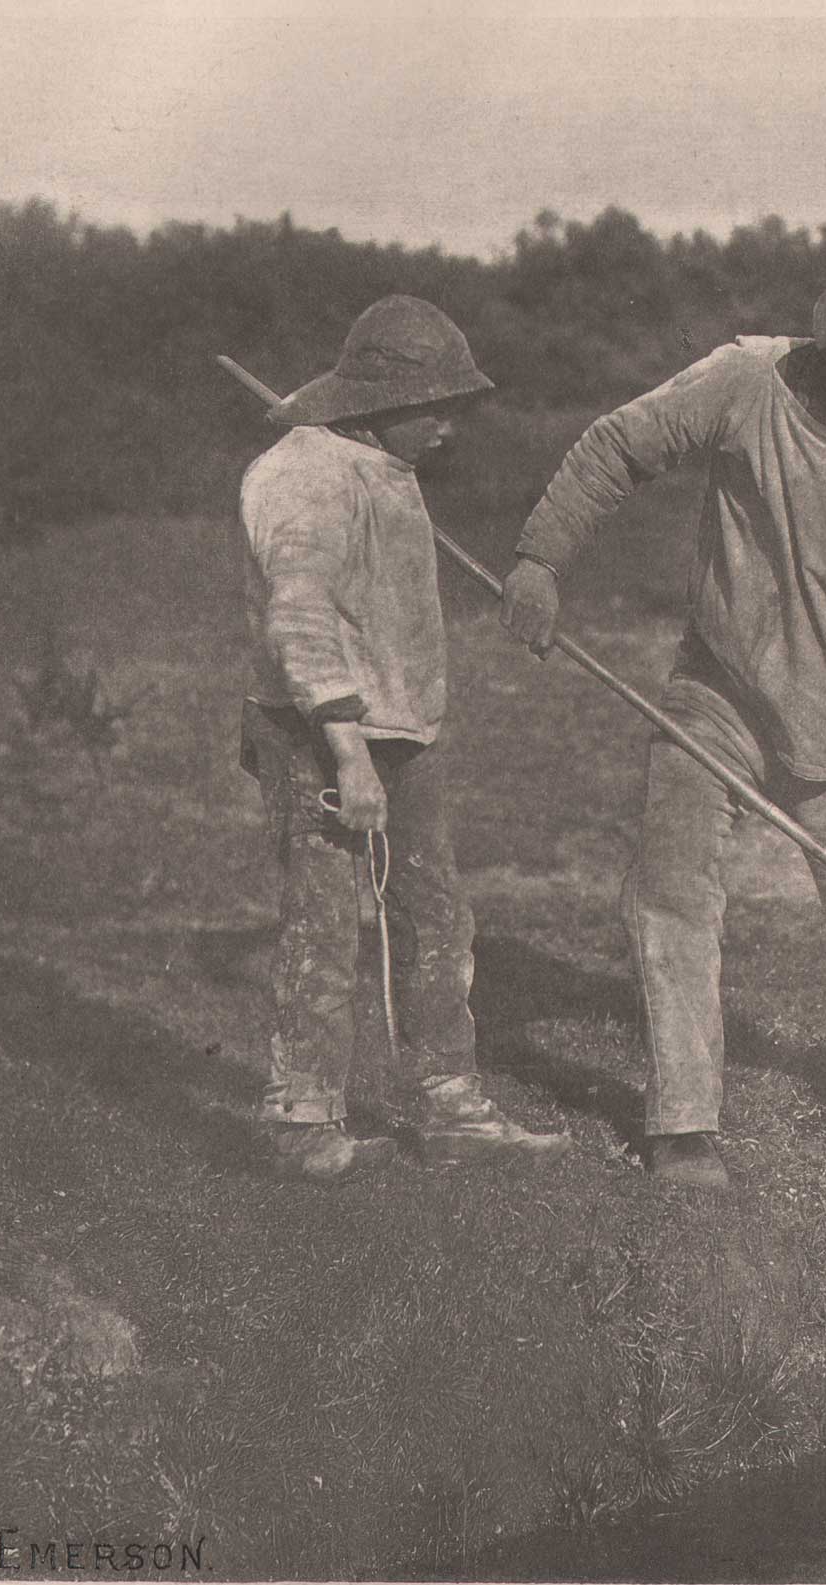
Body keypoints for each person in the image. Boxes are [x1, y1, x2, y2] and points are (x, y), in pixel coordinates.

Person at [500, 253, 826, 1204]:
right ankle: (684, 1129)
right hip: (720, 696)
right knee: (672, 891)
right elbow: (618, 445)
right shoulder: (747, 382)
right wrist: (538, 558)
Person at [240, 294, 573, 1183]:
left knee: (433, 916)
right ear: (384, 403)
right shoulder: (303, 472)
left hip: (403, 731)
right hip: (320, 730)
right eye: (438, 407)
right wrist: (346, 755)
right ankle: (303, 1121)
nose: (451, 427)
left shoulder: (382, 469)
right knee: (323, 922)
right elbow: (300, 619)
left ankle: (446, 1100)